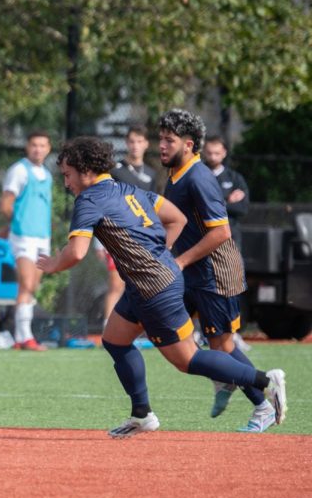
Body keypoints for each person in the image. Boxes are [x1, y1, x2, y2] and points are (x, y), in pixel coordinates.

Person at [38, 135, 286, 437]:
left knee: (188, 359)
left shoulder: (89, 199)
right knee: (115, 339)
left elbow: (76, 252)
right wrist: (158, 254)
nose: (66, 182)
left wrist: (52, 264)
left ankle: (266, 382)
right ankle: (142, 415)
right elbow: (176, 218)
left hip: (153, 288)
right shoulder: (129, 189)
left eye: (67, 174)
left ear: (86, 170)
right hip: (150, 282)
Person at [158, 111, 278, 431]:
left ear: (188, 144)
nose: (161, 146)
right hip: (190, 271)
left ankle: (264, 404)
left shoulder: (198, 177)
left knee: (223, 346)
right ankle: (223, 379)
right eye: (161, 139)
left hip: (215, 271)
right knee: (170, 329)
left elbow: (221, 233)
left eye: (168, 140)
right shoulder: (175, 175)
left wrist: (180, 261)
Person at [0, 132, 53, 351]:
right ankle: (24, 337)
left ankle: (22, 338)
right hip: (24, 236)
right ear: (27, 147)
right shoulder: (19, 170)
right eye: (34, 145)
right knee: (27, 284)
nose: (37, 149)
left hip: (42, 237)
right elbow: (6, 204)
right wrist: (17, 224)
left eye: (42, 145)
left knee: (33, 287)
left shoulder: (47, 174)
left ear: (48, 148)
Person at [102, 127, 160, 326]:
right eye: (132, 141)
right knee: (116, 284)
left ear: (146, 144)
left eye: (139, 141)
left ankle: (136, 328)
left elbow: (152, 207)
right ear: (127, 144)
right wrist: (99, 241)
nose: (135, 146)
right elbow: (104, 202)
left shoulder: (151, 174)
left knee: (140, 285)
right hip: (117, 236)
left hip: (142, 237)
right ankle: (107, 328)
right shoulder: (116, 170)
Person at [202, 136, 250, 237]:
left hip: (230, 235)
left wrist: (214, 204)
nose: (213, 157)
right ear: (204, 152)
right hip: (202, 235)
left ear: (224, 153)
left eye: (217, 153)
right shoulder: (197, 176)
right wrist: (226, 201)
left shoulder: (235, 178)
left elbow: (242, 208)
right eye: (210, 153)